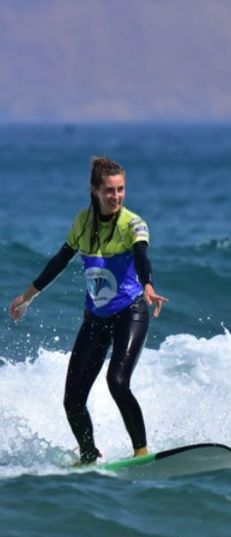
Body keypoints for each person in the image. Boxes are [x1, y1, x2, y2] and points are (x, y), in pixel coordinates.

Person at [9, 156, 168, 464]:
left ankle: (142, 453)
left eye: (121, 189)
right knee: (72, 400)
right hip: (95, 318)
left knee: (117, 382)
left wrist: (148, 285)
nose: (117, 196)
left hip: (130, 312)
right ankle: (88, 455)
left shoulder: (132, 223)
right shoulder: (83, 222)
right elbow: (59, 261)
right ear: (95, 190)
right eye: (110, 190)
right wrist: (28, 296)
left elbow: (141, 256)